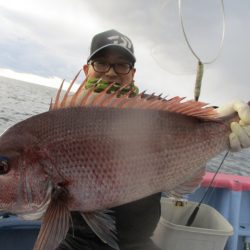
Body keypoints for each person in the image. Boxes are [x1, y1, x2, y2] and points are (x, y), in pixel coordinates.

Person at [56, 29, 250, 250]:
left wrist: (225, 119)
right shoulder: (65, 118)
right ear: (86, 69)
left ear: (132, 72)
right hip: (73, 242)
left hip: (138, 243)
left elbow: (188, 119)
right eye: (101, 63)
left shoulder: (153, 109)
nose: (110, 73)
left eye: (121, 65)